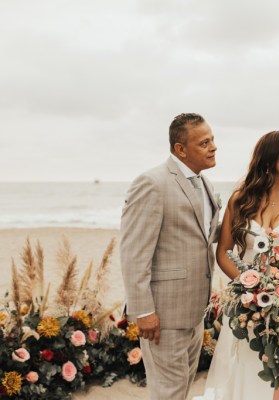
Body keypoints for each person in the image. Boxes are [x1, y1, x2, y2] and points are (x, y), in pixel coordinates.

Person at [195, 131, 279, 400]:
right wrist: (250, 291)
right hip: (249, 308)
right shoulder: (241, 200)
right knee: (250, 364)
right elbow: (223, 252)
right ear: (269, 157)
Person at [120, 113, 220, 400]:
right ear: (180, 149)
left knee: (181, 388)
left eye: (212, 139)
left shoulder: (205, 185)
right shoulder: (152, 183)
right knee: (169, 392)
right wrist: (144, 311)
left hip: (194, 312)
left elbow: (205, 236)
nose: (213, 146)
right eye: (204, 143)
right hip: (162, 315)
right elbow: (133, 253)